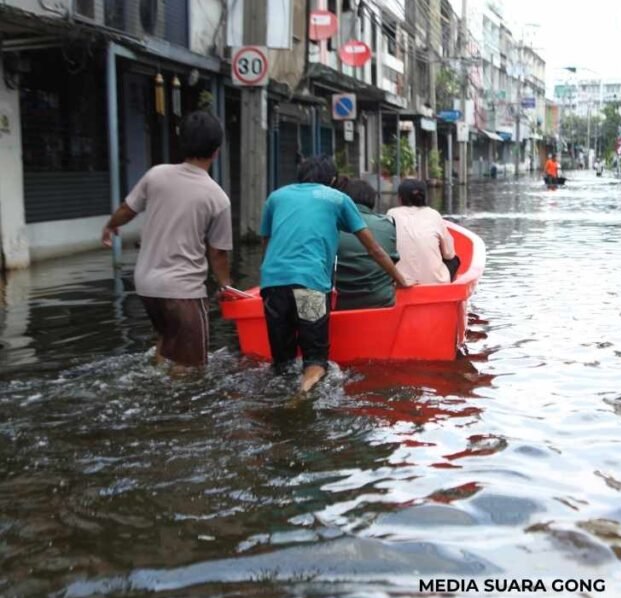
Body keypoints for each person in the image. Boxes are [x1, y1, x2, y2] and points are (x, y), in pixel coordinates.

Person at [260, 155, 411, 393]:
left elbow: (267, 245)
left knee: (282, 363)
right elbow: (374, 249)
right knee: (316, 362)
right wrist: (402, 281)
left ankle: (280, 400)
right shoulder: (337, 198)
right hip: (309, 287)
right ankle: (303, 393)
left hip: (272, 286)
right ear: (332, 180)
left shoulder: (276, 198)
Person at [101, 111, 232, 368]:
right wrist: (227, 287)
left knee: (167, 339)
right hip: (183, 291)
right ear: (216, 151)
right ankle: (171, 403)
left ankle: (158, 382)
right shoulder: (218, 198)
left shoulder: (156, 175)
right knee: (193, 368)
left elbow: (128, 209)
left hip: (146, 285)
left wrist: (110, 226)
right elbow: (217, 253)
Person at [335, 179, 400, 311]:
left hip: (339, 304)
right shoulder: (387, 225)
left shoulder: (330, 225)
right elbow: (393, 260)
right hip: (381, 302)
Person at [388, 179, 456, 286]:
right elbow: (449, 254)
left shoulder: (391, 214)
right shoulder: (434, 215)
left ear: (400, 199)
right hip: (436, 284)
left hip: (400, 283)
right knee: (455, 260)